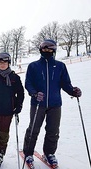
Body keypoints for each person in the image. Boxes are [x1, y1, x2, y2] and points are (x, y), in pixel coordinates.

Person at [22, 39, 82, 167]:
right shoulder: (33, 66)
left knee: (53, 130)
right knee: (33, 129)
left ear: (54, 50)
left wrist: (73, 91)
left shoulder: (60, 66)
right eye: (45, 48)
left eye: (50, 49)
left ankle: (49, 153)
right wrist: (34, 93)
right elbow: (28, 83)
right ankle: (28, 153)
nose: (47, 51)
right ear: (40, 49)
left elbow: (65, 83)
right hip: (38, 103)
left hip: (55, 104)